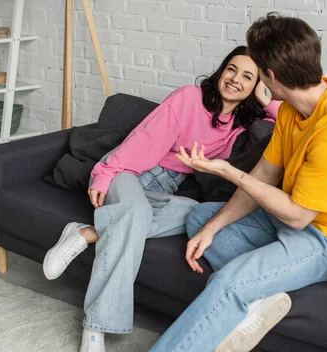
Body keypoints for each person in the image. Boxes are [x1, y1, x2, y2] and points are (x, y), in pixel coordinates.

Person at [148, 13, 327, 352]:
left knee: (230, 283)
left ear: (270, 76)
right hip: (287, 218)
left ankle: (247, 290)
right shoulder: (295, 109)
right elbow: (264, 175)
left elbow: (298, 216)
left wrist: (226, 170)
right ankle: (261, 295)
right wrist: (212, 228)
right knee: (201, 220)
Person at [41, 45, 279, 352]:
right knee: (136, 214)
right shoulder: (189, 98)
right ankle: (95, 327)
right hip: (129, 171)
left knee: (194, 212)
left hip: (164, 188)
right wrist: (106, 172)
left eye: (248, 77)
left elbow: (290, 123)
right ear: (222, 71)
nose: (236, 79)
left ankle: (86, 232)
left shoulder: (239, 125)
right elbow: (144, 138)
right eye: (231, 69)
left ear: (255, 87)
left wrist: (266, 100)